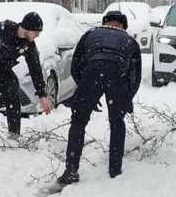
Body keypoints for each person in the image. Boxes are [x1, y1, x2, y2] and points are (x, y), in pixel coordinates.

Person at [57, 10, 142, 185]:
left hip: (91, 73)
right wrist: (126, 99)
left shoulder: (90, 34)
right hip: (117, 76)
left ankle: (71, 170)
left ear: (105, 22)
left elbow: (75, 66)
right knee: (117, 122)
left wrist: (85, 89)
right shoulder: (130, 41)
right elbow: (135, 77)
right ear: (123, 26)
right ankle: (115, 169)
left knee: (78, 122)